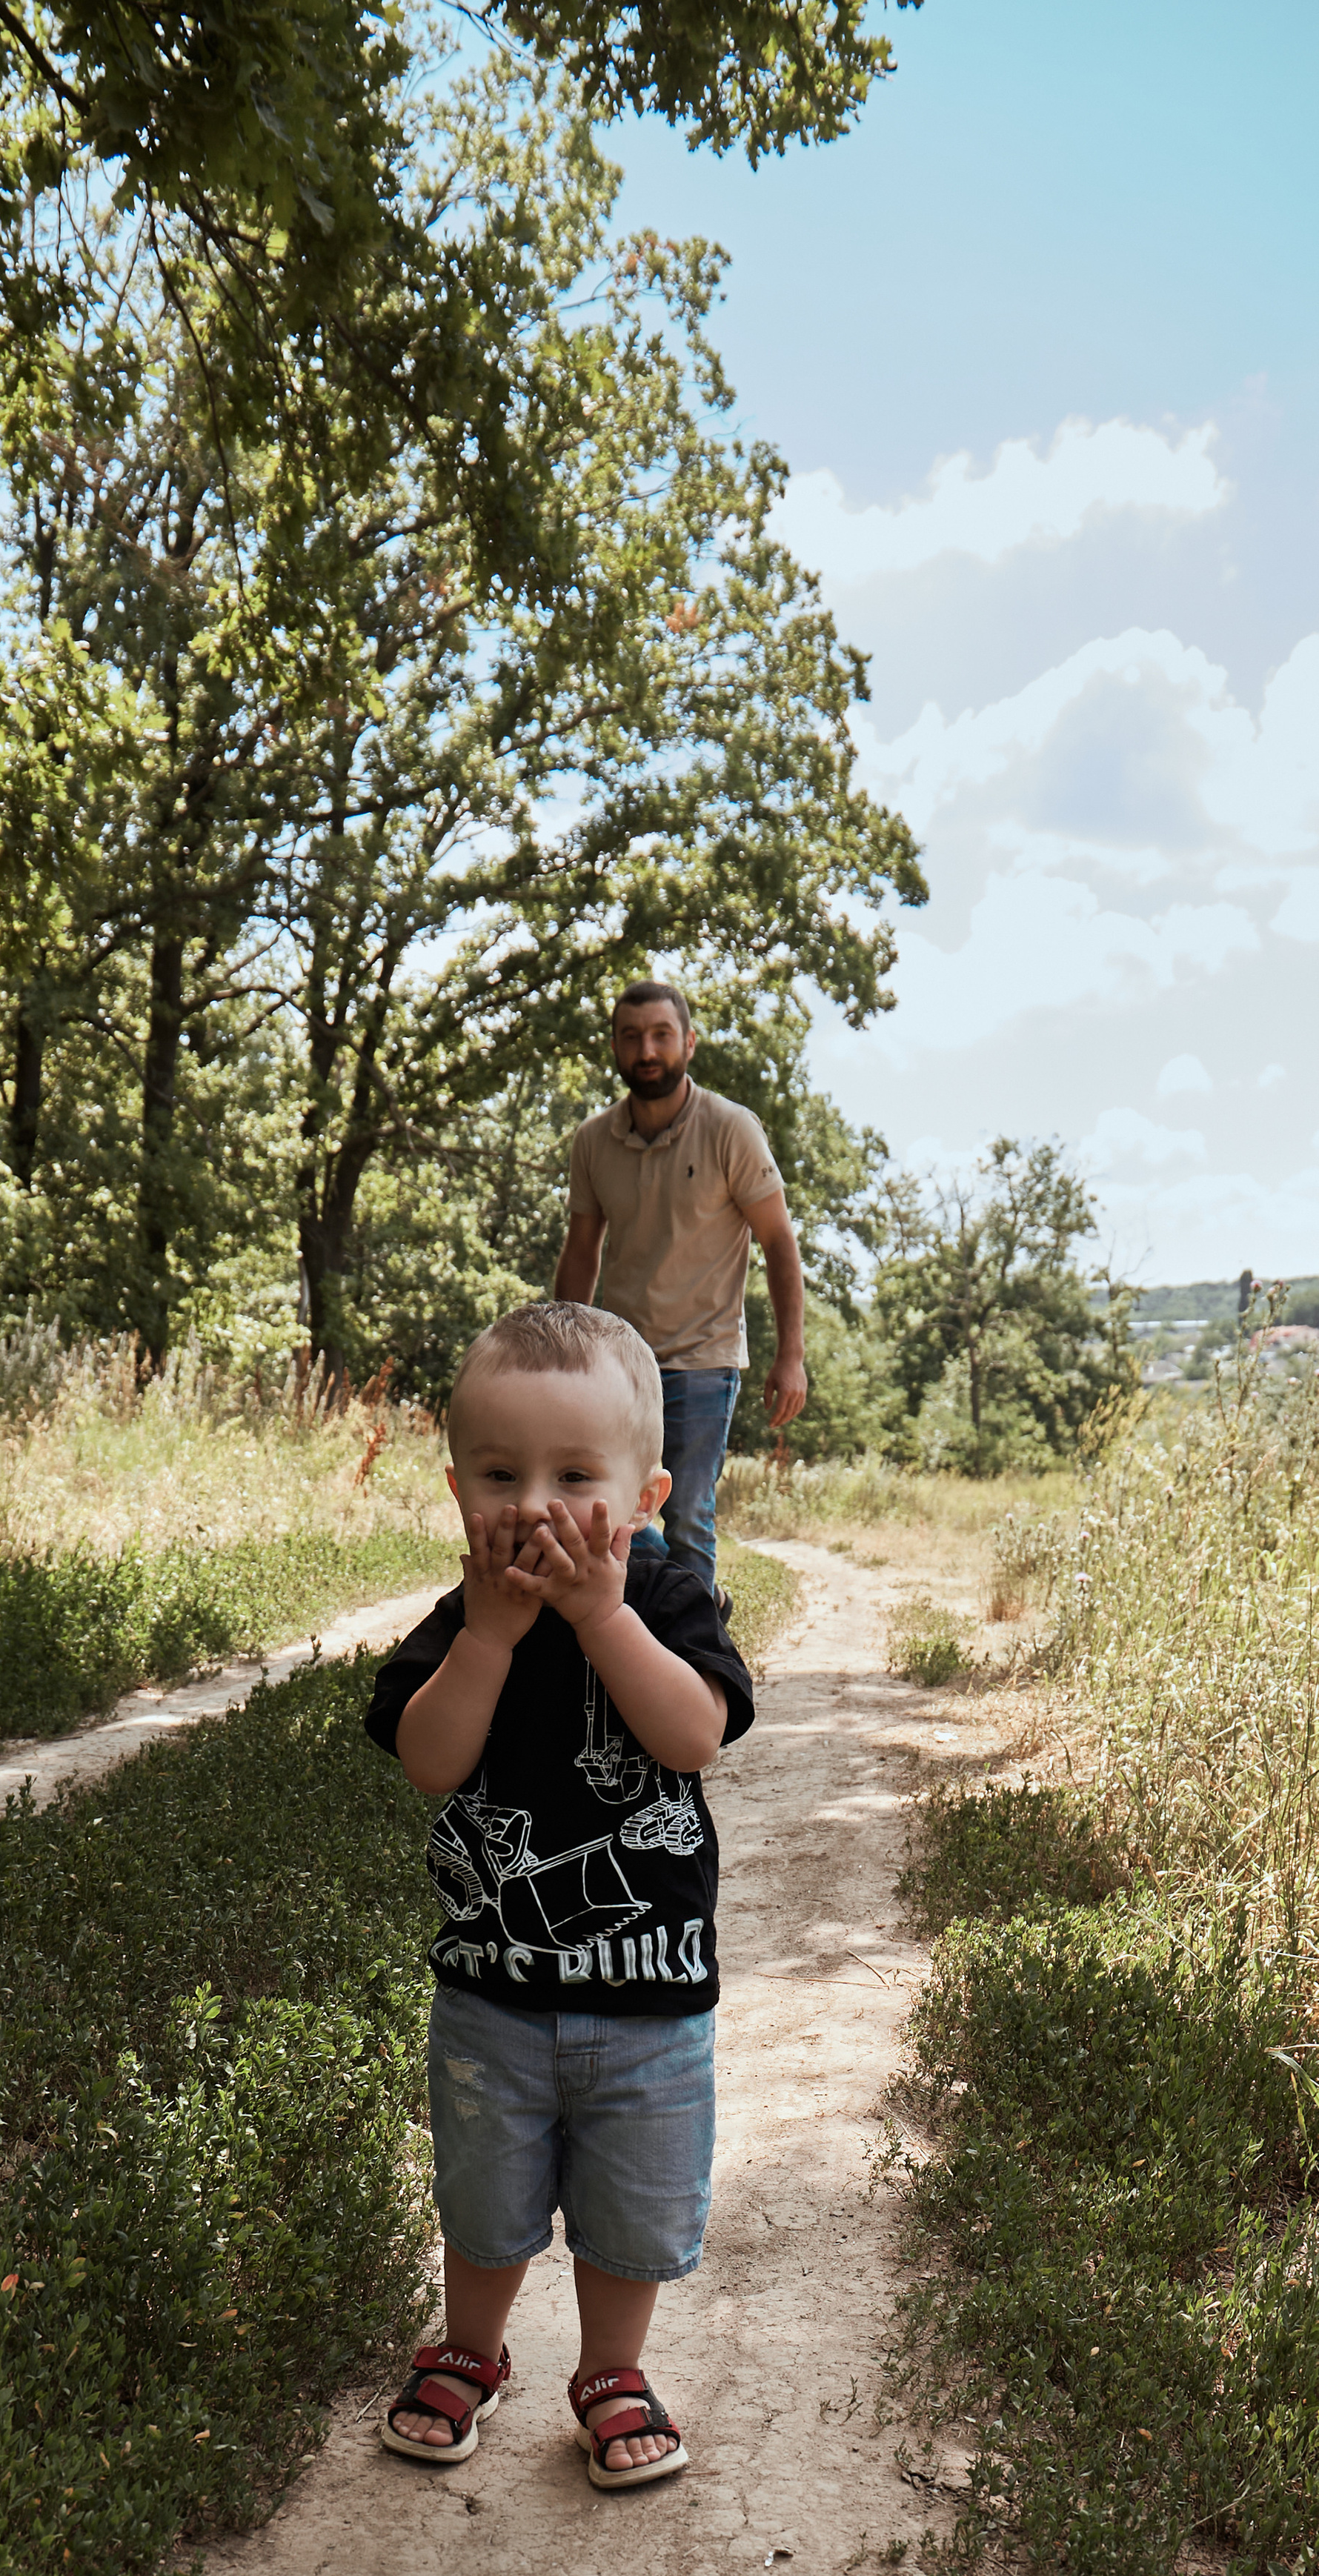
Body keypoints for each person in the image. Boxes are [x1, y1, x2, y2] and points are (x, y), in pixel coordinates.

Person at [363, 1301, 754, 2489]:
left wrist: (602, 1614)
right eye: (501, 1475)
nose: (534, 1506)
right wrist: (489, 1639)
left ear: (646, 1497)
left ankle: (610, 2374)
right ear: (457, 1492)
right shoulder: (461, 1621)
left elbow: (691, 1736)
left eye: (575, 1476)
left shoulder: (669, 1601)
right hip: (492, 1998)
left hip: (651, 2003)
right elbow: (430, 1762)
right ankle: (471, 2349)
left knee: (631, 2208)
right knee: (486, 2197)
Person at [554, 979, 806, 1596]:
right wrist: (560, 1356)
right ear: (615, 1047)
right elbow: (582, 1251)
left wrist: (791, 1355)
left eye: (661, 1035)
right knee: (619, 1513)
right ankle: (679, 1612)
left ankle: (693, 1646)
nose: (647, 1050)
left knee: (688, 1515)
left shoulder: (730, 1129)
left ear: (689, 1043)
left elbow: (778, 1241)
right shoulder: (593, 1140)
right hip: (620, 1363)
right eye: (632, 1037)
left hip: (704, 1360)